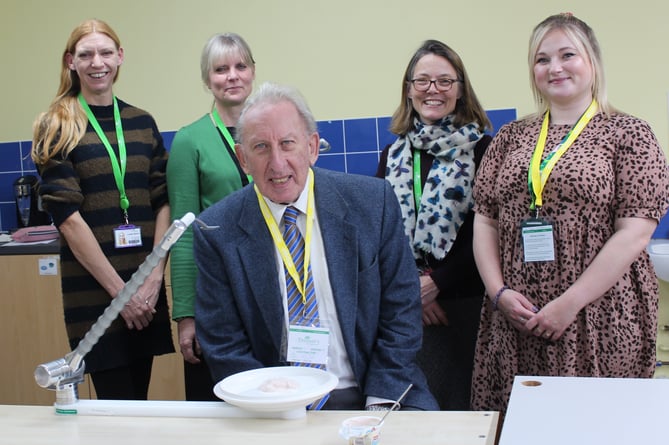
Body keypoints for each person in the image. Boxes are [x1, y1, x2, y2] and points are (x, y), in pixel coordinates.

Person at [193, 82, 439, 411]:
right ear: (243, 159)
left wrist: (381, 400)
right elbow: (223, 342)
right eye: (261, 147)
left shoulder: (372, 203)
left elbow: (402, 312)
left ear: (311, 147)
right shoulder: (217, 230)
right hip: (274, 401)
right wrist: (274, 406)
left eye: (287, 144)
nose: (277, 163)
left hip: (373, 386)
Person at [471, 12, 669, 413]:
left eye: (567, 55)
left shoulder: (628, 133)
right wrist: (499, 293)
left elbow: (635, 232)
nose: (554, 67)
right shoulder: (510, 137)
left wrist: (569, 303)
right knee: (519, 424)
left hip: (601, 314)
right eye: (542, 59)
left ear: (592, 62)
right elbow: (485, 219)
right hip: (516, 316)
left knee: (598, 424)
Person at [31, 19, 174, 400]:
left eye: (106, 52)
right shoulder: (57, 124)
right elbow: (69, 220)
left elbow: (163, 201)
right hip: (95, 295)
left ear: (120, 57)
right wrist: (121, 296)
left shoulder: (142, 123)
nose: (98, 62)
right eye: (86, 54)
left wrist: (154, 277)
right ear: (71, 62)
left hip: (145, 287)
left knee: (138, 404)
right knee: (115, 407)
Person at [376, 40, 492, 410]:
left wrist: (437, 283)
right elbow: (380, 234)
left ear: (460, 90)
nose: (433, 90)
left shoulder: (484, 149)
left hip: (469, 304)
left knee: (471, 409)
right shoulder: (392, 155)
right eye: (423, 80)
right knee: (425, 411)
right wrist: (415, 290)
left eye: (445, 81)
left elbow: (488, 232)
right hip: (412, 310)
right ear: (409, 89)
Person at [166, 32, 255, 401]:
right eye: (221, 69)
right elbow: (183, 234)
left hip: (267, 288)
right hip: (217, 294)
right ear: (207, 79)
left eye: (240, 66)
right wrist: (187, 315)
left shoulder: (268, 131)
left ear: (252, 72)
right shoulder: (190, 140)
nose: (232, 75)